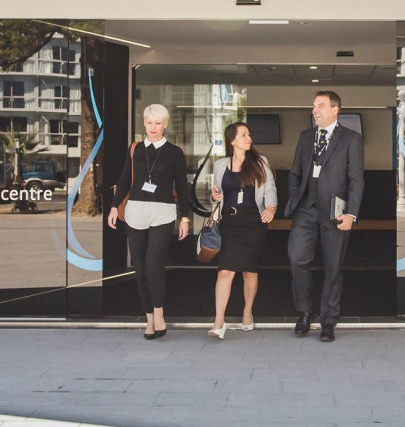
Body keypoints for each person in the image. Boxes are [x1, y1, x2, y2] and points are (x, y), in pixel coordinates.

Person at [285, 90, 364, 342]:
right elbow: (295, 173)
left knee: (333, 267)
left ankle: (328, 321)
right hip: (305, 210)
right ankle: (305, 312)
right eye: (313, 106)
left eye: (320, 105)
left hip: (335, 212)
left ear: (334, 109)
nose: (315, 110)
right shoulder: (305, 137)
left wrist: (352, 213)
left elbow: (356, 180)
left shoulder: (351, 139)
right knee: (297, 258)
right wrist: (296, 197)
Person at [107, 104, 191, 339]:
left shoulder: (174, 152)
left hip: (163, 213)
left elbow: (182, 187)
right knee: (140, 269)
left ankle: (159, 312)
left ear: (165, 125)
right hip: (135, 212)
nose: (153, 127)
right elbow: (124, 179)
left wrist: (185, 217)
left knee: (154, 265)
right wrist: (114, 206)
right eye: (149, 122)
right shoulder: (135, 149)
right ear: (144, 123)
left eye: (157, 123)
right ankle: (149, 318)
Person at [206, 122, 278, 339]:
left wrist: (271, 208)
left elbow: (270, 189)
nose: (249, 138)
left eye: (249, 134)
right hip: (229, 222)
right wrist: (214, 196)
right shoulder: (221, 165)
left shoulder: (260, 162)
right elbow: (216, 194)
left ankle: (247, 312)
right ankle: (219, 321)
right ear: (232, 141)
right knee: (225, 271)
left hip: (254, 222)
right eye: (243, 135)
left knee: (249, 270)